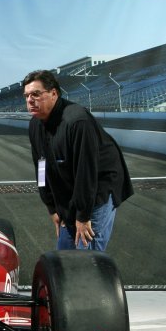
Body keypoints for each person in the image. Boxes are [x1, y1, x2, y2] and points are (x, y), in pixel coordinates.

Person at [24, 69, 133, 251]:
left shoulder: (77, 121)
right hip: (71, 191)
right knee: (65, 253)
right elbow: (41, 167)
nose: (29, 100)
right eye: (26, 96)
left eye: (36, 94)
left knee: (86, 259)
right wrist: (52, 207)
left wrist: (82, 216)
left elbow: (86, 172)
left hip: (98, 189)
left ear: (53, 93)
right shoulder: (35, 125)